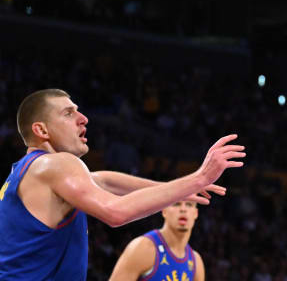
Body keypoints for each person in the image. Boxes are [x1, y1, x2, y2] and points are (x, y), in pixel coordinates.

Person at [0, 89, 246, 280]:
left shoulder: (27, 170)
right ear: (41, 129)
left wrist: (181, 187)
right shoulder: (56, 164)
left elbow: (105, 180)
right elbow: (115, 212)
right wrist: (199, 177)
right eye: (68, 113)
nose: (83, 119)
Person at [109, 200, 204, 281]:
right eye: (176, 204)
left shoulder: (196, 261)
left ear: (195, 213)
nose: (183, 209)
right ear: (164, 210)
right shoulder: (142, 247)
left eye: (189, 205)